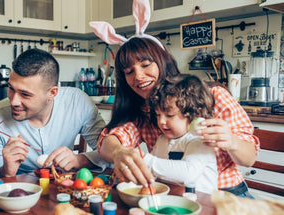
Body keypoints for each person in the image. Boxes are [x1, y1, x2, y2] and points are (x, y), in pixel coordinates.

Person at [90, 0, 259, 198]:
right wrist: (119, 153)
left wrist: (232, 142)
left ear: (164, 62)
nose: (138, 76)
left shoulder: (212, 96)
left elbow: (249, 159)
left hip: (227, 195)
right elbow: (110, 140)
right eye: (129, 71)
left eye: (145, 65)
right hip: (175, 194)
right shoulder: (141, 110)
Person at [0, 48, 107, 178]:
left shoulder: (77, 102)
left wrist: (81, 160)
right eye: (11, 88)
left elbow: (111, 152)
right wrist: (6, 171)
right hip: (18, 191)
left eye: (25, 94)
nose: (14, 101)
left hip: (64, 188)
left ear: (52, 93)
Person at [141, 74, 217, 194]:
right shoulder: (162, 140)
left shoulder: (200, 140)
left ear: (196, 114)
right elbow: (150, 171)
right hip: (173, 199)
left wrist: (145, 160)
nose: (161, 121)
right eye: (158, 115)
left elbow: (188, 173)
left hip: (202, 204)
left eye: (170, 115)